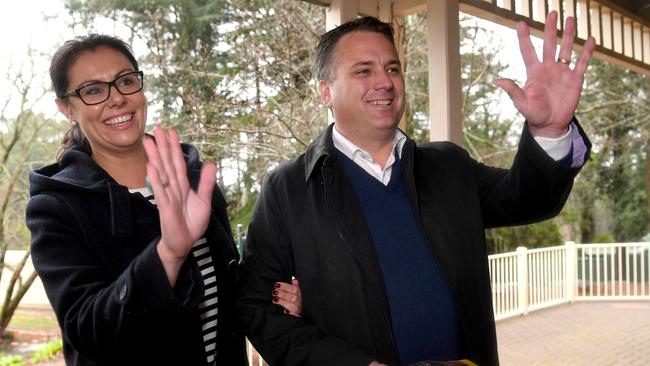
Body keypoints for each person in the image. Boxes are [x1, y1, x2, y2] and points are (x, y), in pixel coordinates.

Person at [237, 11, 595, 366]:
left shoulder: (449, 167)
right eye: (364, 70)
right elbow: (257, 308)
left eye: (392, 68)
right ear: (325, 92)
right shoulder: (288, 190)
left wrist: (548, 132)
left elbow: (529, 200)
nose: (385, 82)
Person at [25, 34, 301, 365]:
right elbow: (88, 331)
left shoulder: (193, 180)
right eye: (93, 90)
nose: (116, 99)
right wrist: (169, 254)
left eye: (125, 81)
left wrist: (275, 299)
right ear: (67, 108)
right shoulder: (58, 206)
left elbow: (223, 294)